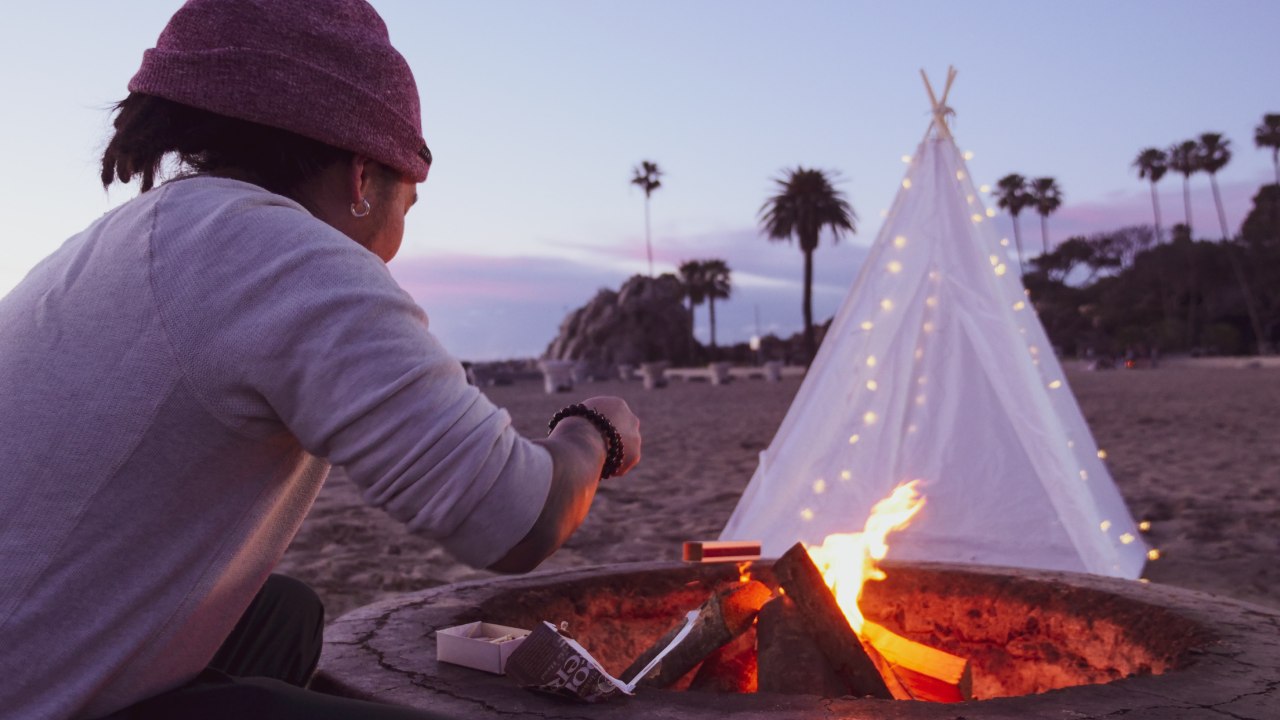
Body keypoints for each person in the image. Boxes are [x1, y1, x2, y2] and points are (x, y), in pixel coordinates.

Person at [0, 1, 641, 718]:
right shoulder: (279, 256)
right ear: (365, 177)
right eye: (411, 199)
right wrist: (593, 430)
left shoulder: (131, 238)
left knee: (283, 612)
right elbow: (517, 519)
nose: (401, 232)